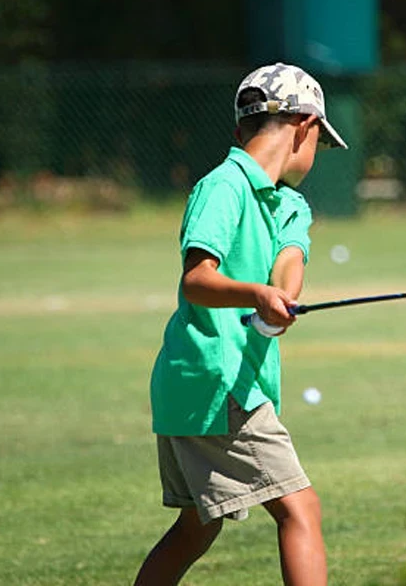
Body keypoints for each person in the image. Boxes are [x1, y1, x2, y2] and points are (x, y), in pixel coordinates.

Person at [133, 62, 348, 586]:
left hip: (205, 382)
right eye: (320, 140)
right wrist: (256, 294)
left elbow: (289, 263)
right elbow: (197, 278)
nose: (317, 155)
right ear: (304, 126)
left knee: (196, 528)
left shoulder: (289, 204)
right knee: (302, 509)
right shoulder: (223, 187)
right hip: (219, 379)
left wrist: (279, 303)